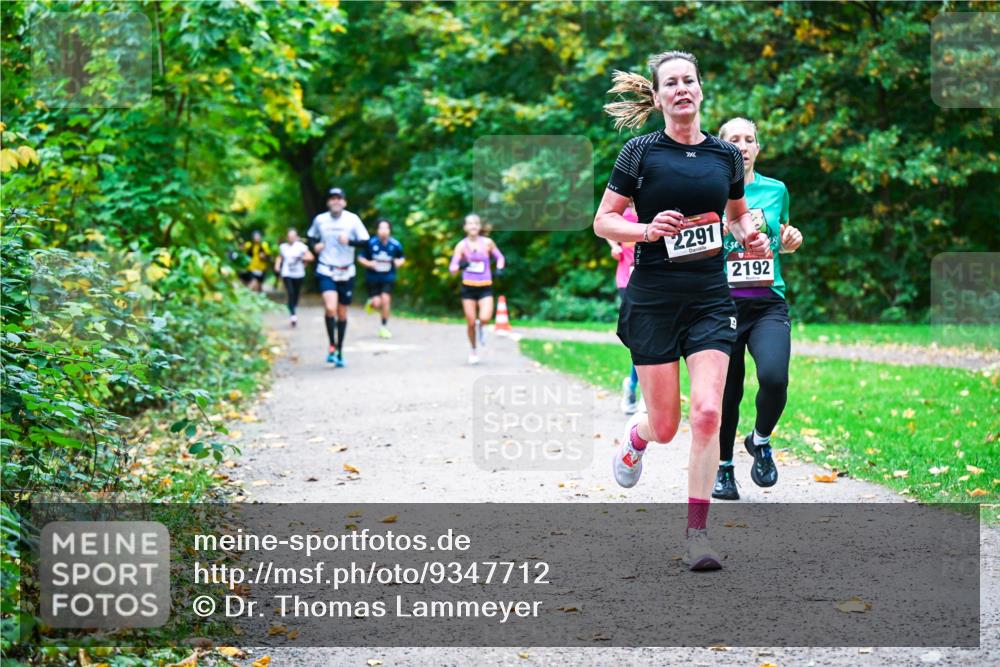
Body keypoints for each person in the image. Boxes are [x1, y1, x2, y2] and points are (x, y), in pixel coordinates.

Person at [594, 51, 769, 571]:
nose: (681, 89)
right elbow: (604, 221)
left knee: (708, 412)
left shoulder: (725, 156)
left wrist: (751, 237)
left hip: (710, 296)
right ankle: (637, 437)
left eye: (688, 80)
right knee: (666, 425)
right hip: (653, 298)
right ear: (658, 95)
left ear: (700, 88)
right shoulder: (640, 152)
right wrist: (647, 230)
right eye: (670, 83)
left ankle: (698, 534)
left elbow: (736, 217)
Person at [712, 117, 803, 501]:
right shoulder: (707, 191)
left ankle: (760, 440)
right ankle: (724, 468)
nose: (743, 145)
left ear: (757, 148)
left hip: (767, 303)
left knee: (775, 378)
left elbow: (781, 236)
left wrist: (791, 240)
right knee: (727, 393)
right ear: (722, 147)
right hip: (720, 304)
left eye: (749, 139)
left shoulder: (776, 190)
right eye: (734, 139)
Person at [307, 187, 369, 366]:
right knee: (330, 308)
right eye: (332, 198)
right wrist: (315, 246)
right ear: (328, 202)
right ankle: (331, 345)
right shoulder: (320, 220)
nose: (335, 201)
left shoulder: (352, 219)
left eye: (338, 198)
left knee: (342, 313)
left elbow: (366, 242)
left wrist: (349, 241)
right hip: (326, 269)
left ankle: (339, 349)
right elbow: (310, 237)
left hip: (346, 271)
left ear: (344, 202)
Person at [448, 214, 505, 365]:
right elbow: (452, 268)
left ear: (479, 226)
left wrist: (499, 268)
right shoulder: (461, 246)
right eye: (470, 223)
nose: (473, 226)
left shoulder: (487, 243)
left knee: (485, 318)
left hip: (485, 286)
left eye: (476, 223)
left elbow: (500, 258)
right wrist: (461, 266)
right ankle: (473, 350)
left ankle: (482, 327)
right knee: (471, 322)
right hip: (468, 287)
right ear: (465, 227)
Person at [607, 204, 640, 415]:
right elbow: (604, 227)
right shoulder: (624, 215)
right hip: (627, 282)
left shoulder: (654, 209)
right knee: (640, 338)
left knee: (649, 338)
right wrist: (614, 246)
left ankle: (636, 387)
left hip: (653, 282)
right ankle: (633, 387)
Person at [360, 219, 405, 339]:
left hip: (388, 277)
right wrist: (369, 264)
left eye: (386, 228)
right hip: (373, 278)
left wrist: (399, 262)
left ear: (390, 230)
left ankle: (384, 327)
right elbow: (361, 258)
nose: (384, 231)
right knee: (377, 303)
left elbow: (402, 257)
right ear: (377, 230)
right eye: (381, 228)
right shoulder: (370, 243)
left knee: (386, 300)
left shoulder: (395, 244)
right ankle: (372, 303)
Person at [275, 228, 314, 328]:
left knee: (296, 294)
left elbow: (311, 257)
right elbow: (280, 257)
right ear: (287, 237)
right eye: (289, 236)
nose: (291, 238)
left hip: (299, 274)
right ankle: (293, 315)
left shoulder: (301, 247)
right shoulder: (283, 247)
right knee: (291, 292)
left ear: (296, 237)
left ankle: (293, 308)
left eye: (293, 236)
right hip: (287, 273)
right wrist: (277, 266)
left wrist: (302, 258)